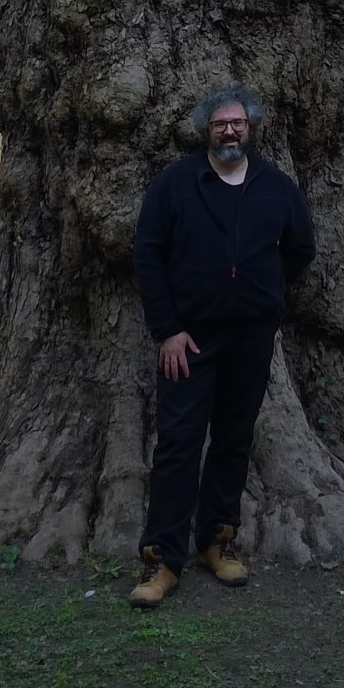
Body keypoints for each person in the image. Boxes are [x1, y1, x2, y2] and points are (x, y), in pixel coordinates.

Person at [129, 84, 315, 608]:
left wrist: (264, 293)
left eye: (237, 124)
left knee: (233, 441)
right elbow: (148, 254)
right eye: (219, 125)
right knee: (179, 445)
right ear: (205, 131)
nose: (229, 132)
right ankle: (162, 558)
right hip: (188, 341)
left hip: (250, 339)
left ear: (251, 129)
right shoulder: (175, 184)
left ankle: (217, 540)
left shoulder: (275, 187)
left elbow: (301, 247)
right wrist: (167, 328)